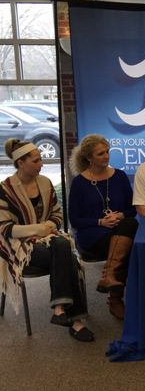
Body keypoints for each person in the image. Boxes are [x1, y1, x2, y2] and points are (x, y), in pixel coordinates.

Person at [0, 139, 94, 342]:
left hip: (49, 240)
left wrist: (47, 230)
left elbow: (58, 215)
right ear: (21, 163)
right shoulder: (5, 189)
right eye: (36, 160)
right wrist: (39, 230)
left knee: (61, 249)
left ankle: (61, 309)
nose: (41, 163)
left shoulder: (45, 183)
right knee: (64, 251)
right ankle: (74, 320)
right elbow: (4, 228)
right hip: (19, 247)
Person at [69, 134, 138, 320]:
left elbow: (132, 208)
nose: (106, 156)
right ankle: (116, 299)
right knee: (128, 246)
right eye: (101, 154)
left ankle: (109, 276)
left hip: (120, 228)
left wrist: (120, 215)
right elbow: (74, 219)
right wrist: (100, 222)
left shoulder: (120, 176)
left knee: (130, 224)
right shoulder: (79, 183)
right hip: (92, 235)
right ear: (89, 158)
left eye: (107, 151)